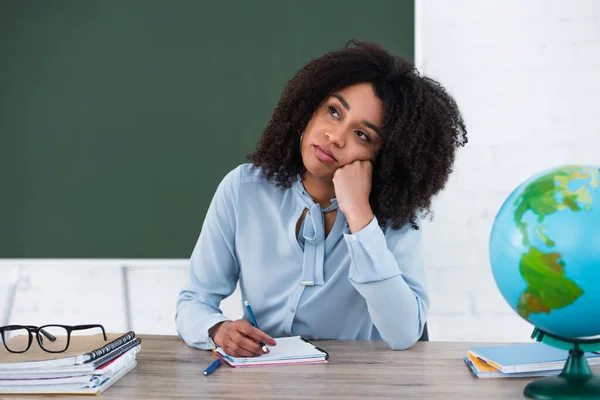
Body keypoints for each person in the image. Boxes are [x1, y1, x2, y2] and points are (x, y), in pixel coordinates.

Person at [176, 40, 467, 356]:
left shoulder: (394, 217)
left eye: (362, 135)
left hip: (355, 385)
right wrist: (218, 330)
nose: (335, 137)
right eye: (333, 111)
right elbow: (193, 302)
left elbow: (404, 333)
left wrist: (359, 216)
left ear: (386, 156)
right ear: (308, 109)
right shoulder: (243, 189)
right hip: (262, 381)